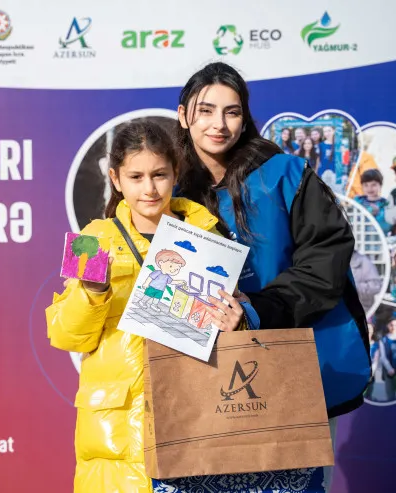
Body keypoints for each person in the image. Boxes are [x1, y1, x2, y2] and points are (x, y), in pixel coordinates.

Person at [171, 62, 371, 493]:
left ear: (245, 118)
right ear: (183, 114)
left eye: (232, 112)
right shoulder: (166, 189)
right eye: (206, 110)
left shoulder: (286, 174)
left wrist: (257, 310)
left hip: (295, 367)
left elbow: (325, 261)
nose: (219, 124)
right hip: (203, 380)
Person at [45, 120, 254, 493]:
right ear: (115, 178)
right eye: (136, 177)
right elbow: (66, 336)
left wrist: (238, 321)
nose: (149, 188)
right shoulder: (91, 240)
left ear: (176, 173)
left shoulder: (209, 233)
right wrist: (92, 292)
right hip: (117, 433)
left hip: (196, 416)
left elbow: (229, 321)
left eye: (159, 174)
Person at [354, 169, 391, 235]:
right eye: (366, 185)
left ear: (380, 185)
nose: (369, 188)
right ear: (362, 186)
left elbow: (387, 226)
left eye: (373, 185)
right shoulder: (357, 201)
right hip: (360, 238)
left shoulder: (386, 203)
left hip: (379, 239)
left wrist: (378, 214)